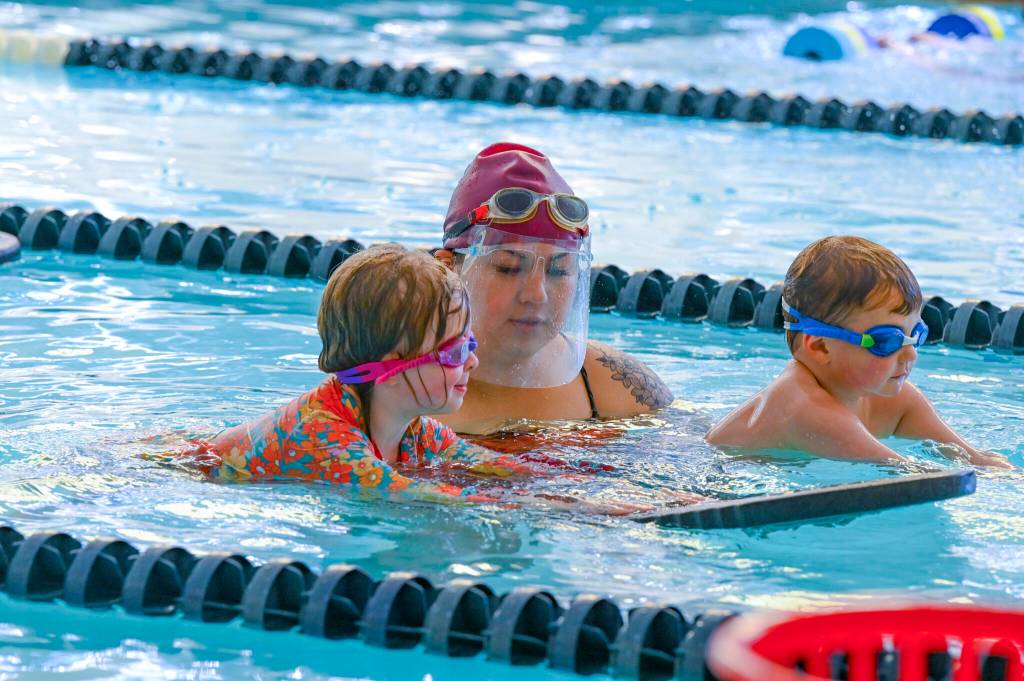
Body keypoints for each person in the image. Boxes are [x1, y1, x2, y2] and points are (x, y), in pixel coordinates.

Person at [182, 243, 655, 511]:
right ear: (391, 364)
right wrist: (577, 512)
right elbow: (429, 499)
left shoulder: (413, 429)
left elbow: (511, 473)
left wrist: (639, 495)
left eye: (469, 345)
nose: (471, 361)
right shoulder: (322, 439)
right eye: (453, 351)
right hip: (177, 476)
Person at [706, 236, 1012, 469]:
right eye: (887, 341)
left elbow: (977, 462)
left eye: (916, 334)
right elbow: (906, 475)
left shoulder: (896, 399)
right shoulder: (803, 407)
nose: (910, 355)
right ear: (821, 347)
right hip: (700, 478)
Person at [435, 142, 674, 435]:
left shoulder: (612, 385)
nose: (537, 295)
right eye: (508, 267)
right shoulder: (389, 390)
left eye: (559, 270)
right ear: (448, 270)